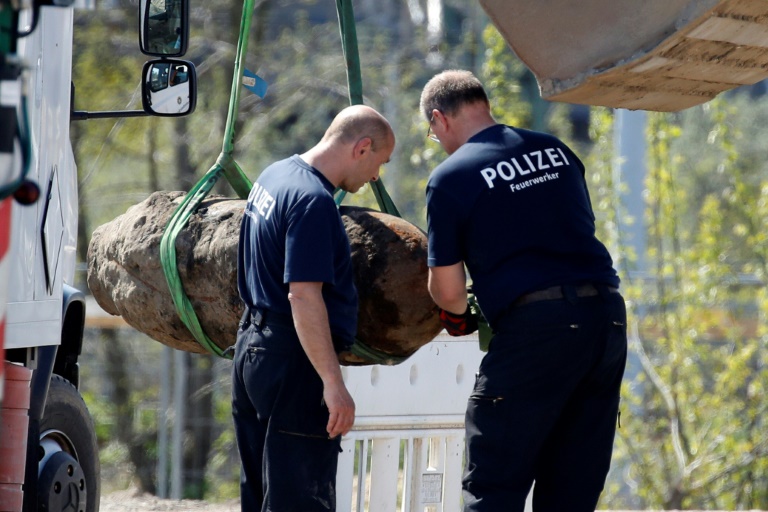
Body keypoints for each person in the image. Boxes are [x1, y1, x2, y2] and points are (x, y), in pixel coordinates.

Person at [420, 69, 628, 511]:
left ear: (439, 119)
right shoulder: (555, 150)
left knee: (494, 484)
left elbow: (451, 292)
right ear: (483, 103)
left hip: (539, 328)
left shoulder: (450, 177)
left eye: (433, 132)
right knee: (572, 488)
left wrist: (457, 307)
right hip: (605, 320)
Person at [232, 104, 395, 512]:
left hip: (253, 346)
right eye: (380, 162)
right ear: (362, 147)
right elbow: (303, 296)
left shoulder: (275, 175)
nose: (376, 177)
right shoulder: (313, 202)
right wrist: (332, 382)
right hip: (293, 361)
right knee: (300, 500)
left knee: (261, 493)